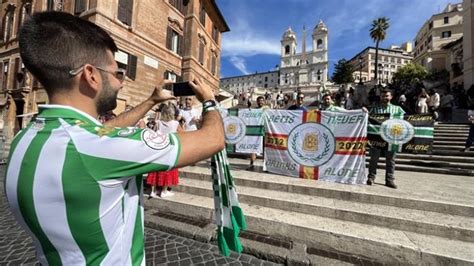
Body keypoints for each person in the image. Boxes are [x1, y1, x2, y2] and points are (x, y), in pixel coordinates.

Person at [6, 11, 224, 265]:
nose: (121, 82)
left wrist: (151, 101)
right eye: (117, 73)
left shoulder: (23, 140)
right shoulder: (104, 149)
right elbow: (213, 138)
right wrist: (209, 100)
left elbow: (100, 135)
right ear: (91, 75)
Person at [367, 90, 405, 189]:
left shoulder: (398, 109)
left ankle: (390, 180)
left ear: (391, 97)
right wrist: (363, 110)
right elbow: (366, 118)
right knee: (374, 159)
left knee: (391, 160)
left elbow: (408, 120)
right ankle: (371, 177)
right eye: (383, 96)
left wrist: (430, 117)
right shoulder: (374, 109)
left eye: (386, 96)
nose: (384, 98)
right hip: (376, 138)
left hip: (391, 138)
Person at [147, 104, 183, 198]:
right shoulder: (175, 124)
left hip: (158, 148)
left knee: (154, 169)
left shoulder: (158, 122)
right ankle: (164, 191)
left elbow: (153, 133)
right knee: (168, 170)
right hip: (169, 149)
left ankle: (153, 191)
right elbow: (183, 134)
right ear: (173, 113)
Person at [248, 96, 268, 170]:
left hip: (264, 132)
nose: (260, 102)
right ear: (257, 102)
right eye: (259, 101)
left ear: (264, 101)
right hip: (256, 132)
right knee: (253, 149)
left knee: (265, 149)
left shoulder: (267, 110)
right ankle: (251, 164)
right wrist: (248, 110)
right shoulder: (254, 110)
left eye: (262, 101)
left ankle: (265, 166)